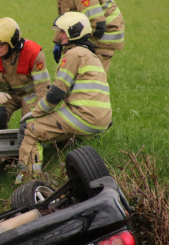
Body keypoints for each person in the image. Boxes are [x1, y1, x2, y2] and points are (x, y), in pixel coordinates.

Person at [17, 12, 111, 178]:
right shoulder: (92, 56)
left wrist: (36, 112)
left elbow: (57, 93)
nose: (59, 36)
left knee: (31, 128)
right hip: (101, 120)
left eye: (62, 32)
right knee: (51, 122)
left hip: (82, 117)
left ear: (74, 33)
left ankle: (28, 180)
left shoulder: (74, 54)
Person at [28, 0, 124, 75]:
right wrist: (58, 41)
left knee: (90, 81)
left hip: (101, 38)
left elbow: (97, 25)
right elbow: (68, 18)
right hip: (88, 34)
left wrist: (78, 47)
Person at [0, 18, 50, 131]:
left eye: (0, 44)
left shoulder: (34, 53)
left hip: (31, 95)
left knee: (30, 127)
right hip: (5, 94)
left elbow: (42, 87)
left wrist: (42, 112)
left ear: (12, 43)